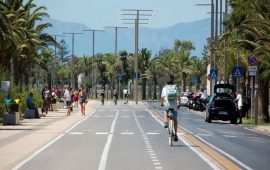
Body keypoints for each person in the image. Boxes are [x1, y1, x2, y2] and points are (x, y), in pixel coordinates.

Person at [160, 75, 180, 142]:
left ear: (166, 83)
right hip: (174, 105)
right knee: (175, 120)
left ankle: (165, 122)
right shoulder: (175, 88)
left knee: (166, 111)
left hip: (167, 104)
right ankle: (176, 134)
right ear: (172, 83)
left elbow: (162, 98)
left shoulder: (164, 88)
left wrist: (162, 103)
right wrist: (179, 104)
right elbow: (178, 97)